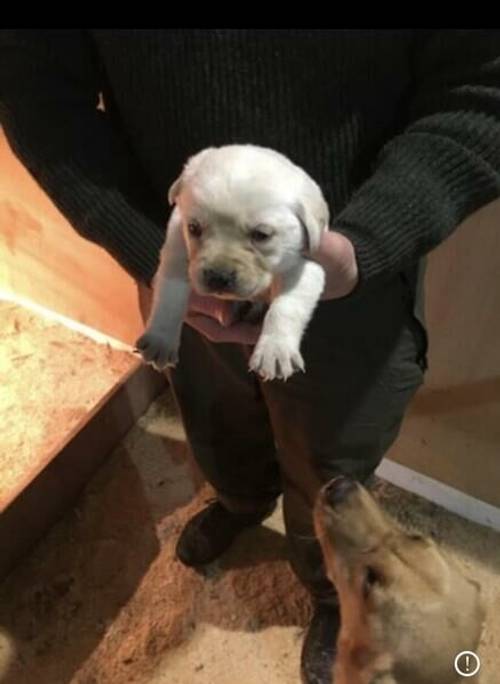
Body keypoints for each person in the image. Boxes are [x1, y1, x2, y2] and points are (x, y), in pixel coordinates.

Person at [2, 30, 500, 684]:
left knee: (333, 457)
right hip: (183, 264)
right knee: (212, 416)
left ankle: (327, 588)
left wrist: (366, 245)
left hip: (351, 278)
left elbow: (482, 94)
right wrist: (155, 254)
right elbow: (35, 90)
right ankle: (239, 502)